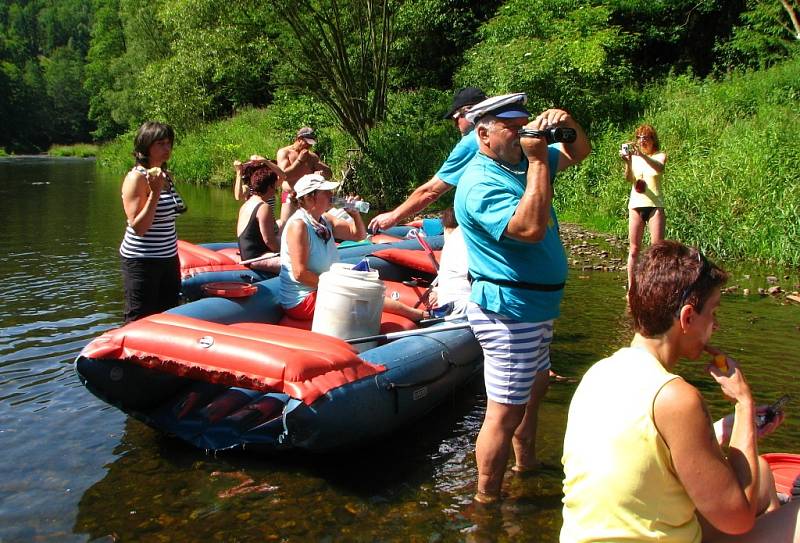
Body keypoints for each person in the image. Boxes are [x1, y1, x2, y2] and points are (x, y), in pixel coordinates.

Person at [561, 240, 800, 542]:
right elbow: (737, 519)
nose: (716, 324)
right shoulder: (676, 397)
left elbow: (642, 451)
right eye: (713, 313)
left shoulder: (598, 373)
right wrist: (743, 404)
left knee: (763, 475)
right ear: (688, 317)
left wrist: (722, 431)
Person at [453, 92, 591, 503]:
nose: (523, 134)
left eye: (525, 125)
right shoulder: (480, 183)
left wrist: (569, 122)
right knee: (504, 412)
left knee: (536, 389)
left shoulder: (519, 162)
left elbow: (579, 150)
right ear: (483, 134)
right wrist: (535, 159)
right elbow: (529, 229)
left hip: (535, 308)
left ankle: (525, 463)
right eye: (512, 128)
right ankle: (486, 500)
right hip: (508, 312)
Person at [279, 174, 428, 322]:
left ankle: (416, 313)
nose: (332, 195)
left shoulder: (325, 219)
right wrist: (338, 285)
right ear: (310, 198)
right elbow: (300, 274)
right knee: (362, 293)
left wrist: (355, 214)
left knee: (366, 286)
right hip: (303, 298)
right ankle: (417, 315)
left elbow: (358, 235)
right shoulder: (299, 226)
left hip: (323, 287)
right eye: (325, 192)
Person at [368, 87, 487, 233]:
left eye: (456, 118)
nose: (455, 124)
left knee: (380, 238)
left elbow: (431, 191)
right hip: (486, 220)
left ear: (469, 113)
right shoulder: (498, 134)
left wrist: (393, 216)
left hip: (481, 229)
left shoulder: (472, 142)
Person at [119, 121, 187, 323]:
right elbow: (139, 227)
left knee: (168, 316)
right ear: (146, 146)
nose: (167, 149)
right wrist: (155, 193)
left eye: (169, 143)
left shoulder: (164, 174)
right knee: (139, 319)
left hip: (168, 257)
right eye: (160, 144)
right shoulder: (136, 178)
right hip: (141, 260)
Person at [620, 124, 667, 292]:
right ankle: (632, 289)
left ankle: (654, 288)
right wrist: (627, 163)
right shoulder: (634, 158)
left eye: (646, 138)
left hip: (655, 206)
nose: (642, 141)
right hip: (636, 204)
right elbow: (629, 179)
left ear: (653, 140)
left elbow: (659, 168)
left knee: (657, 250)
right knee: (633, 249)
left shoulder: (659, 156)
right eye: (639, 138)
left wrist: (642, 156)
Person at [276, 127, 332, 225]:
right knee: (286, 225)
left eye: (311, 144)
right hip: (290, 195)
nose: (309, 146)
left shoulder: (312, 157)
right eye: (307, 142)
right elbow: (284, 175)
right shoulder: (284, 152)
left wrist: (321, 174)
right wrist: (299, 161)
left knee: (310, 225)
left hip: (308, 197)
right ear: (299, 139)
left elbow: (329, 174)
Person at [236, 160, 284, 273]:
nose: (276, 190)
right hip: (257, 257)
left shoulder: (248, 203)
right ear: (270, 187)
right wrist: (284, 252)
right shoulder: (263, 207)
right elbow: (269, 241)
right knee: (298, 265)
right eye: (275, 187)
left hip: (248, 254)